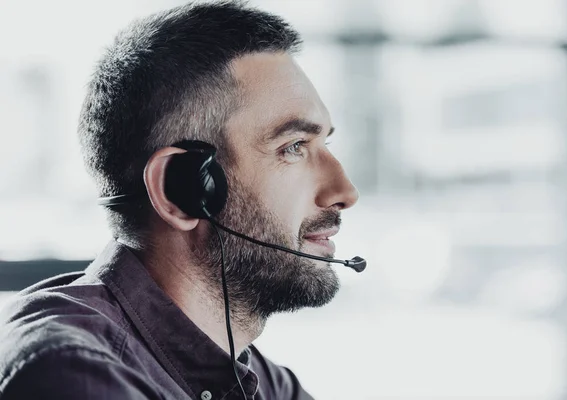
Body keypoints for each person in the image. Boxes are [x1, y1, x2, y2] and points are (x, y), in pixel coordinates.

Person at [0, 1, 360, 399]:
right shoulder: (68, 372)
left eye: (323, 143)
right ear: (180, 190)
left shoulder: (260, 380)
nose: (344, 193)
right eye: (293, 147)